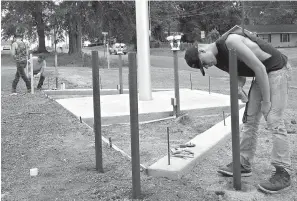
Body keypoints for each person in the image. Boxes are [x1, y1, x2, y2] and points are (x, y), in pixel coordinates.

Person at [184, 29, 292, 194]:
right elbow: (240, 74)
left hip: (276, 69)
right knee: (249, 119)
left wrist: (267, 102)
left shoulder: (230, 42)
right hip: (262, 73)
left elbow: (260, 68)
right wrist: (239, 86)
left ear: (202, 50)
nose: (207, 66)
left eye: (203, 63)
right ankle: (243, 163)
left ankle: (283, 173)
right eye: (203, 67)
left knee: (273, 119)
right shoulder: (217, 60)